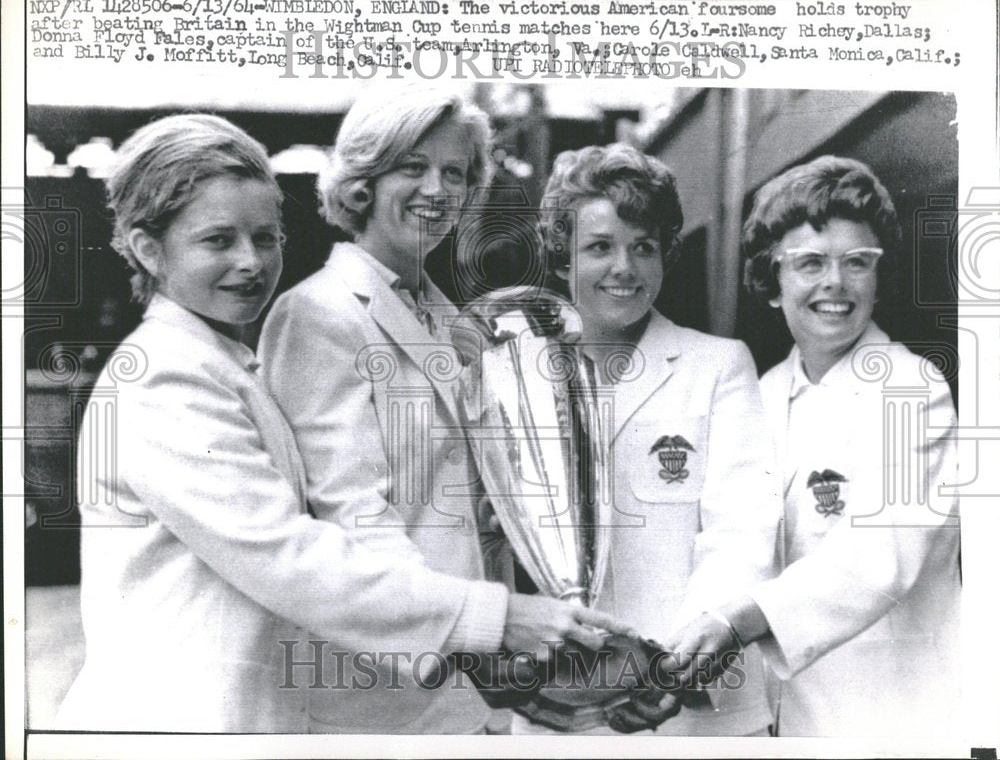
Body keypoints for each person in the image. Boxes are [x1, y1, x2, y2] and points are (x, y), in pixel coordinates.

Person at [56, 113, 624, 734]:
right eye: (218, 240)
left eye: (266, 238)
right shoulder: (167, 376)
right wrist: (493, 620)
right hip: (183, 724)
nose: (250, 262)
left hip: (254, 715)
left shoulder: (223, 362)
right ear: (147, 249)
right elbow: (287, 553)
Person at [662, 156, 961, 737]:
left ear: (879, 278)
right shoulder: (759, 395)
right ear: (771, 283)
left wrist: (737, 620)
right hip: (787, 723)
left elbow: (882, 551)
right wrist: (685, 650)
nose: (835, 283)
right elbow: (734, 544)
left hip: (902, 716)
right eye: (809, 264)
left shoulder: (912, 387)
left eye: (857, 263)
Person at [504, 144, 782, 736]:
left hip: (695, 705)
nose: (624, 267)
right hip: (559, 705)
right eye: (599, 247)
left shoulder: (718, 365)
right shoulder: (508, 374)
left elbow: (741, 532)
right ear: (561, 258)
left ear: (665, 255)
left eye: (643, 247)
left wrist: (665, 665)